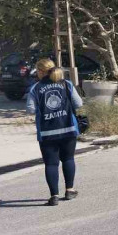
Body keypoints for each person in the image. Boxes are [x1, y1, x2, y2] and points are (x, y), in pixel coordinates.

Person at [26, 59, 83, 206]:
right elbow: (79, 104)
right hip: (69, 128)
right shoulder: (67, 84)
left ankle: (54, 196)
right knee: (68, 159)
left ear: (40, 71)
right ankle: (70, 190)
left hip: (47, 133)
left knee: (51, 164)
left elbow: (30, 109)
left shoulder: (35, 88)